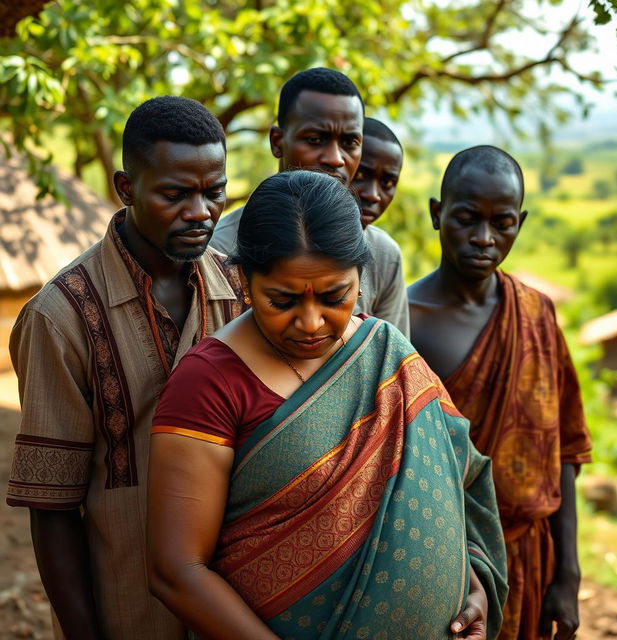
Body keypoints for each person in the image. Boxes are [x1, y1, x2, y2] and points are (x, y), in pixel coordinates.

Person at [148, 170, 508, 640]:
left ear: (361, 277)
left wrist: (473, 585)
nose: (311, 322)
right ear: (244, 279)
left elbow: (460, 478)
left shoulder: (386, 351)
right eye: (283, 300)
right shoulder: (209, 382)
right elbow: (177, 571)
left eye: (336, 296)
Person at [6, 96, 243, 640]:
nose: (202, 211)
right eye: (175, 194)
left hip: (233, 605)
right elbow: (53, 507)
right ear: (126, 187)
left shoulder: (242, 293)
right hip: (126, 611)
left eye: (214, 192)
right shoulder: (59, 317)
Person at [408, 146, 592, 640]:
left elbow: (565, 451)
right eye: (467, 219)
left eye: (503, 223)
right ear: (436, 214)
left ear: (521, 222)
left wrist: (568, 575)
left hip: (531, 558)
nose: (485, 239)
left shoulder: (535, 313)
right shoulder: (405, 321)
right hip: (443, 561)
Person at [210, 68, 410, 336]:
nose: (336, 159)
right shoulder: (221, 251)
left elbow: (390, 367)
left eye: (350, 143)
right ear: (278, 142)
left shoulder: (382, 254)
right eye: (315, 140)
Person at [351, 117, 409, 336]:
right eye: (361, 176)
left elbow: (390, 353)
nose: (373, 194)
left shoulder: (385, 254)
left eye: (387, 184)